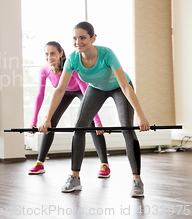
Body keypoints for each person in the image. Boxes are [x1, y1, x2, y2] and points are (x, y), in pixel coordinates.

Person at [39, 21, 150, 197]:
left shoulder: (106, 54)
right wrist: (47, 118)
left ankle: (137, 180)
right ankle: (74, 178)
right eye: (75, 38)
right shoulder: (73, 59)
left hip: (118, 87)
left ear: (93, 38)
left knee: (127, 129)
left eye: (82, 38)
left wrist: (141, 116)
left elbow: (125, 86)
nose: (78, 42)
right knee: (80, 126)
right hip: (96, 88)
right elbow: (60, 90)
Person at [29, 41, 109, 177]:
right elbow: (40, 96)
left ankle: (104, 165)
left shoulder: (70, 67)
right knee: (50, 122)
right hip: (64, 92)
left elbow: (84, 90)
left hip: (81, 90)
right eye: (47, 54)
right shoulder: (44, 71)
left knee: (89, 122)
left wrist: (97, 120)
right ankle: (40, 163)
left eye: (53, 53)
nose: (49, 57)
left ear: (61, 54)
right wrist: (33, 121)